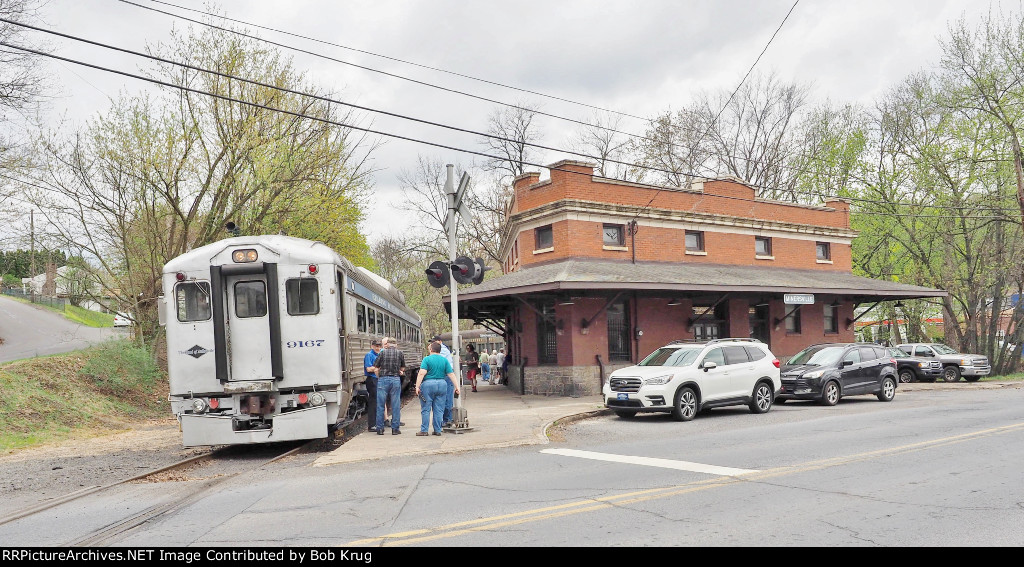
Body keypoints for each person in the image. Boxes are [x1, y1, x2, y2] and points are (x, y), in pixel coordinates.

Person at [415, 341, 460, 436]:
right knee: (439, 409)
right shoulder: (444, 360)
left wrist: (417, 386)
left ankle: (424, 430)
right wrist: (457, 387)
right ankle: (438, 430)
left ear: (431, 349)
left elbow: (422, 373)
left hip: (428, 385)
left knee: (426, 409)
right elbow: (451, 374)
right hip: (442, 384)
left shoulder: (426, 359)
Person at [374, 336, 406, 435]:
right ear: (395, 344)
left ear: (387, 344)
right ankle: (395, 429)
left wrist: (379, 376)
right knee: (395, 405)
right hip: (395, 379)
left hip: (383, 380)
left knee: (380, 405)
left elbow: (376, 368)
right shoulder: (400, 353)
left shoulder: (382, 353)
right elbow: (402, 368)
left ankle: (380, 429)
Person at [431, 335, 457, 427]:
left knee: (446, 399)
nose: (432, 344)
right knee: (444, 398)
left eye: (434, 342)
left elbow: (435, 362)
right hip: (445, 376)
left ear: (440, 342)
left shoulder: (442, 351)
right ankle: (445, 419)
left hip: (446, 376)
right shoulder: (443, 350)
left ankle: (447, 419)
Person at [363, 338, 382, 432]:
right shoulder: (369, 355)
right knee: (373, 402)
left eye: (379, 346)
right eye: (376, 346)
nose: (378, 348)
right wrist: (378, 368)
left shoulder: (380, 354)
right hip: (372, 379)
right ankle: (372, 425)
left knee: (378, 401)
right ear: (372, 346)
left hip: (378, 379)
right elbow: (369, 369)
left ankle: (378, 422)